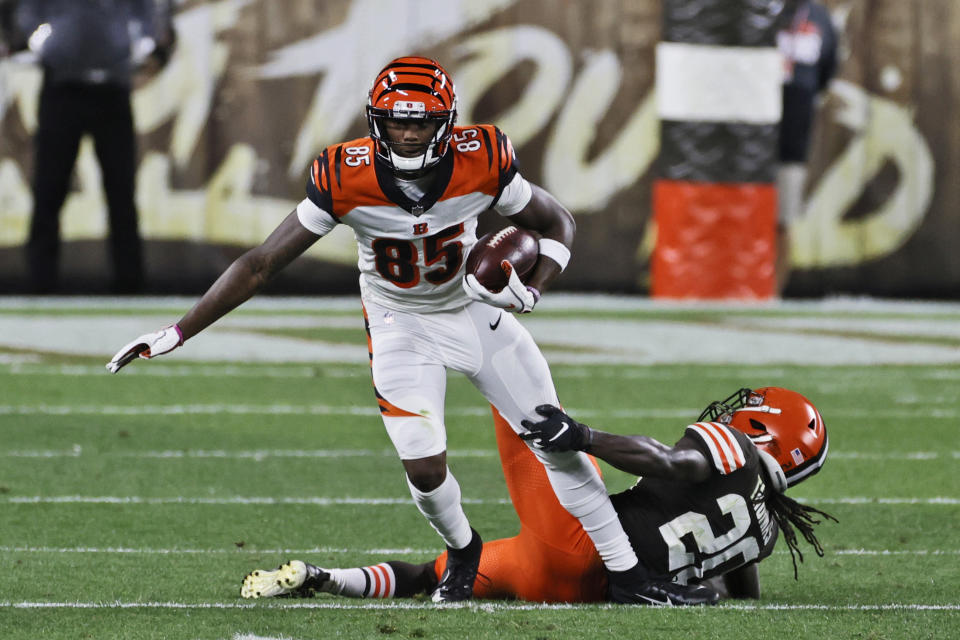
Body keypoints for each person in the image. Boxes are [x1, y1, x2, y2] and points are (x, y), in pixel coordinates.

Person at [106, 56, 709, 605]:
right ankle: (464, 550)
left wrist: (536, 286)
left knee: (554, 436)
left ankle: (629, 576)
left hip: (472, 310)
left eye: (420, 124)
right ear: (377, 121)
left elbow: (556, 221)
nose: (408, 134)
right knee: (423, 468)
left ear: (445, 124)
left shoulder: (484, 158)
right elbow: (262, 262)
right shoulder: (344, 176)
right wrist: (177, 332)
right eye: (396, 123)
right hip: (400, 322)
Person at [240, 387, 834, 604]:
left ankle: (474, 298)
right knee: (443, 576)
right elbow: (741, 581)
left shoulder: (732, 451)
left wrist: (585, 437)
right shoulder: (765, 535)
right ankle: (324, 577)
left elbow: (667, 459)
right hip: (579, 590)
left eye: (746, 415)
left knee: (515, 395)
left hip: (584, 540)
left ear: (763, 434)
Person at [15, 0, 163, 294]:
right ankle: (40, 283)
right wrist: (43, 43)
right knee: (49, 188)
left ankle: (130, 284)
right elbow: (27, 12)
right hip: (61, 87)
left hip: (113, 89)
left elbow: (147, 13)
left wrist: (141, 43)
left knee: (121, 190)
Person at [775, 0, 838, 294]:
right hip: (751, 138)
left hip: (794, 136)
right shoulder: (762, 11)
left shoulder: (819, 16)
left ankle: (773, 292)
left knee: (783, 219)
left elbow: (827, 71)